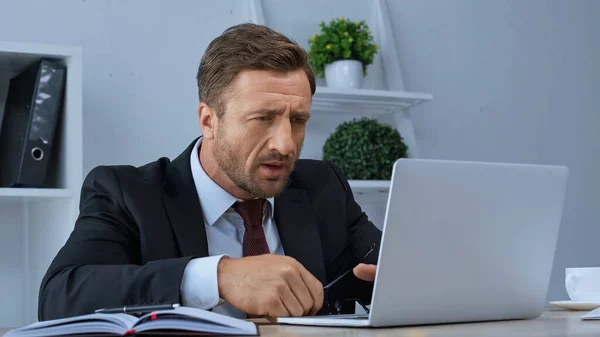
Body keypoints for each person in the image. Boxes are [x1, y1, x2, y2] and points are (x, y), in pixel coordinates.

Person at [38, 23, 382, 321]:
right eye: (263, 118)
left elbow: (387, 269)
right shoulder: (126, 194)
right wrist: (218, 278)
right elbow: (61, 297)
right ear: (209, 120)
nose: (286, 144)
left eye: (298, 120)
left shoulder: (323, 187)